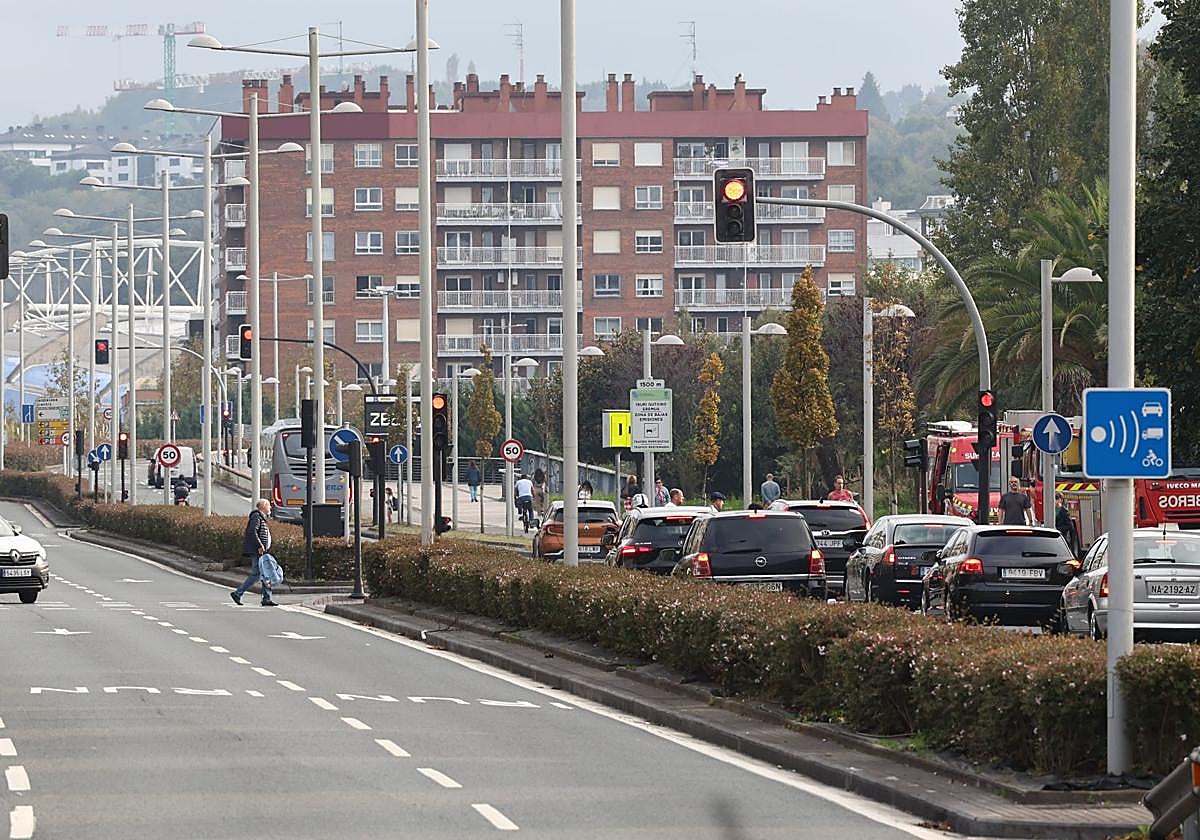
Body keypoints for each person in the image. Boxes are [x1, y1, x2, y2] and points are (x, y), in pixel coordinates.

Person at [231, 499, 277, 607]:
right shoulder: (257, 517)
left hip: (261, 550)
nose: (270, 508)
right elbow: (252, 531)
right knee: (257, 574)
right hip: (258, 550)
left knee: (266, 574)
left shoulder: (261, 518)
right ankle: (238, 593)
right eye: (268, 506)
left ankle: (267, 598)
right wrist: (259, 545)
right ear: (263, 506)